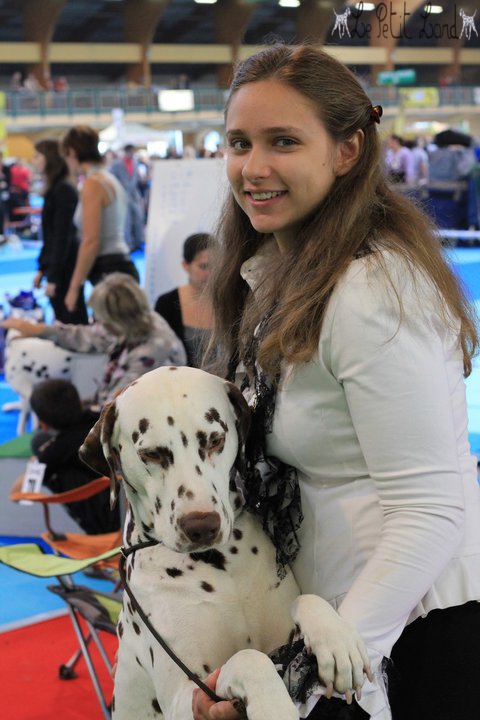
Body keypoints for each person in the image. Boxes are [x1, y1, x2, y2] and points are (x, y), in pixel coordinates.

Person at [193, 44, 480, 720]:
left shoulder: (371, 288)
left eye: (283, 141)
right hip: (340, 620)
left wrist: (319, 681)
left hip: (417, 634)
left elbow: (430, 507)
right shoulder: (274, 272)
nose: (252, 168)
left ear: (347, 151)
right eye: (238, 142)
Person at [2, 272, 186, 409]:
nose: (98, 324)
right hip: (114, 407)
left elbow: (117, 407)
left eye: (101, 319)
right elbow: (87, 335)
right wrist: (38, 329)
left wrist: (80, 411)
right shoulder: (139, 320)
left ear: (116, 320)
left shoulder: (151, 352)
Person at [10, 378, 119, 536]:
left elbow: (18, 495)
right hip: (137, 503)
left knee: (54, 470)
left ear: (43, 423)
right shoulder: (100, 417)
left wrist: (36, 463)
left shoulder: (56, 451)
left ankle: (100, 532)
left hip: (114, 519)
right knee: (40, 440)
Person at [60, 125, 140, 314]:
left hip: (110, 270)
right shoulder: (105, 178)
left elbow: (90, 241)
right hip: (116, 266)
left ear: (71, 152)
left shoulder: (94, 183)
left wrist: (73, 288)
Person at [32, 138, 88, 324]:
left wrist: (53, 277)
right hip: (59, 267)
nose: (34, 161)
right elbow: (51, 237)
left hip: (66, 268)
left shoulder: (63, 190)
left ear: (50, 158)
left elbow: (62, 238)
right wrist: (42, 268)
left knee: (71, 320)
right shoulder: (55, 190)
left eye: (37, 156)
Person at [154, 233, 213, 367]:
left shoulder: (229, 301)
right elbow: (157, 353)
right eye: (203, 266)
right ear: (186, 265)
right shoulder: (166, 304)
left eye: (216, 266)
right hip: (179, 384)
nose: (211, 273)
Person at [109, 144, 145, 251]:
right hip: (123, 195)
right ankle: (129, 244)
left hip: (134, 195)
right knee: (126, 221)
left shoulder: (135, 163)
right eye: (130, 152)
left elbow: (137, 178)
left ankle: (139, 241)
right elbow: (112, 178)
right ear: (126, 152)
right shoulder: (117, 164)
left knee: (138, 218)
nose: (132, 154)